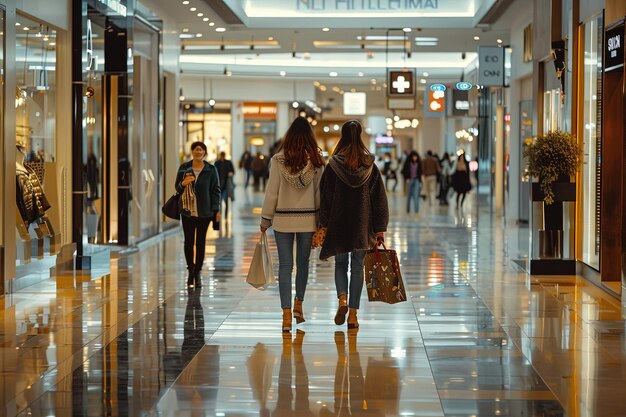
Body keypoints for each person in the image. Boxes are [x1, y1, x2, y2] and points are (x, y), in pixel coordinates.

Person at [319, 120, 389, 330]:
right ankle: (353, 315)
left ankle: (342, 300)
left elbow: (325, 197)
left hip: (338, 224)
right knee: (357, 268)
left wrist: (324, 224)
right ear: (360, 136)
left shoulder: (333, 166)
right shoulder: (370, 166)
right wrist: (380, 228)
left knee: (341, 265)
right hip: (362, 225)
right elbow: (379, 199)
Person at [260, 116, 325, 332]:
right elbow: (319, 193)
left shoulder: (278, 160)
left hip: (282, 220)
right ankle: (299, 304)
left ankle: (286, 314)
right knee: (304, 264)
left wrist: (265, 218)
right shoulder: (316, 160)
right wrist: (320, 220)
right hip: (308, 220)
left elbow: (272, 192)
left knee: (286, 266)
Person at [175, 141, 221, 289]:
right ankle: (190, 270)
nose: (198, 152)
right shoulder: (184, 168)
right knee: (188, 242)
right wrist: (183, 183)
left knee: (200, 242)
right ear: (192, 151)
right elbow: (177, 187)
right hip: (187, 212)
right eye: (196, 150)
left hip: (205, 212)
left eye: (201, 150)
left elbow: (215, 190)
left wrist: (216, 210)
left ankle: (198, 272)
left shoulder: (211, 169)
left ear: (204, 153)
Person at [214, 151, 235, 217]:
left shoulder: (228, 162)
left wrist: (231, 173)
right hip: (218, 184)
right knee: (219, 201)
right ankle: (219, 214)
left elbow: (233, 171)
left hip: (226, 184)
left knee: (226, 200)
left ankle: (225, 215)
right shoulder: (217, 163)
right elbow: (214, 172)